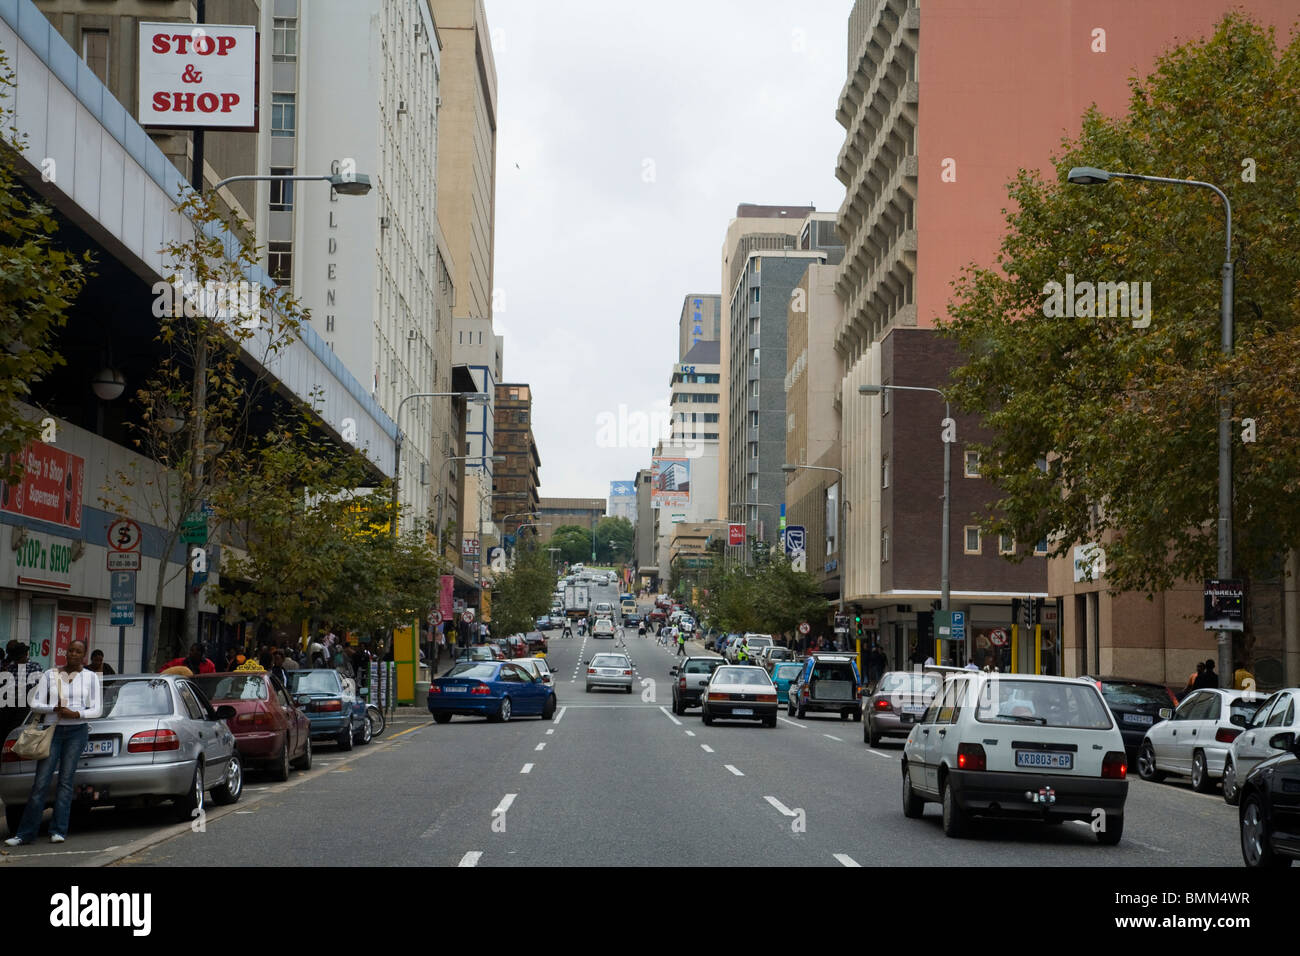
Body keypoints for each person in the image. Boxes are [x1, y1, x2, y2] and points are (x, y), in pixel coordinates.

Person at [4, 640, 102, 846]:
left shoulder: (90, 677)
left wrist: (76, 713)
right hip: (52, 731)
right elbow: (35, 703)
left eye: (78, 651)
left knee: (66, 782)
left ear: (84, 656)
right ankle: (25, 833)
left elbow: (97, 709)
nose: (73, 654)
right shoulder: (51, 674)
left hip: (77, 731)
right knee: (40, 782)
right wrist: (54, 709)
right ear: (65, 653)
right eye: (70, 650)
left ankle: (58, 830)